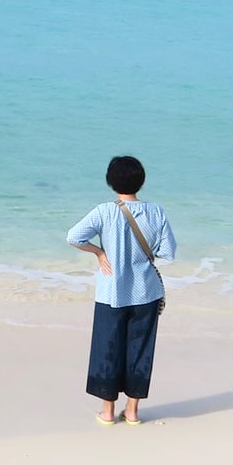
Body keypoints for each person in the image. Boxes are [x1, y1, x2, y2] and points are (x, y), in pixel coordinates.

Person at [67, 155, 176, 426]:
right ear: (141, 181)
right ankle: (133, 412)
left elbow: (73, 237)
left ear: (111, 182)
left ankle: (107, 412)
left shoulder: (104, 211)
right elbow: (168, 252)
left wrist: (99, 251)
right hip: (146, 292)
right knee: (140, 349)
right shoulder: (157, 211)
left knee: (108, 349)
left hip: (112, 293)